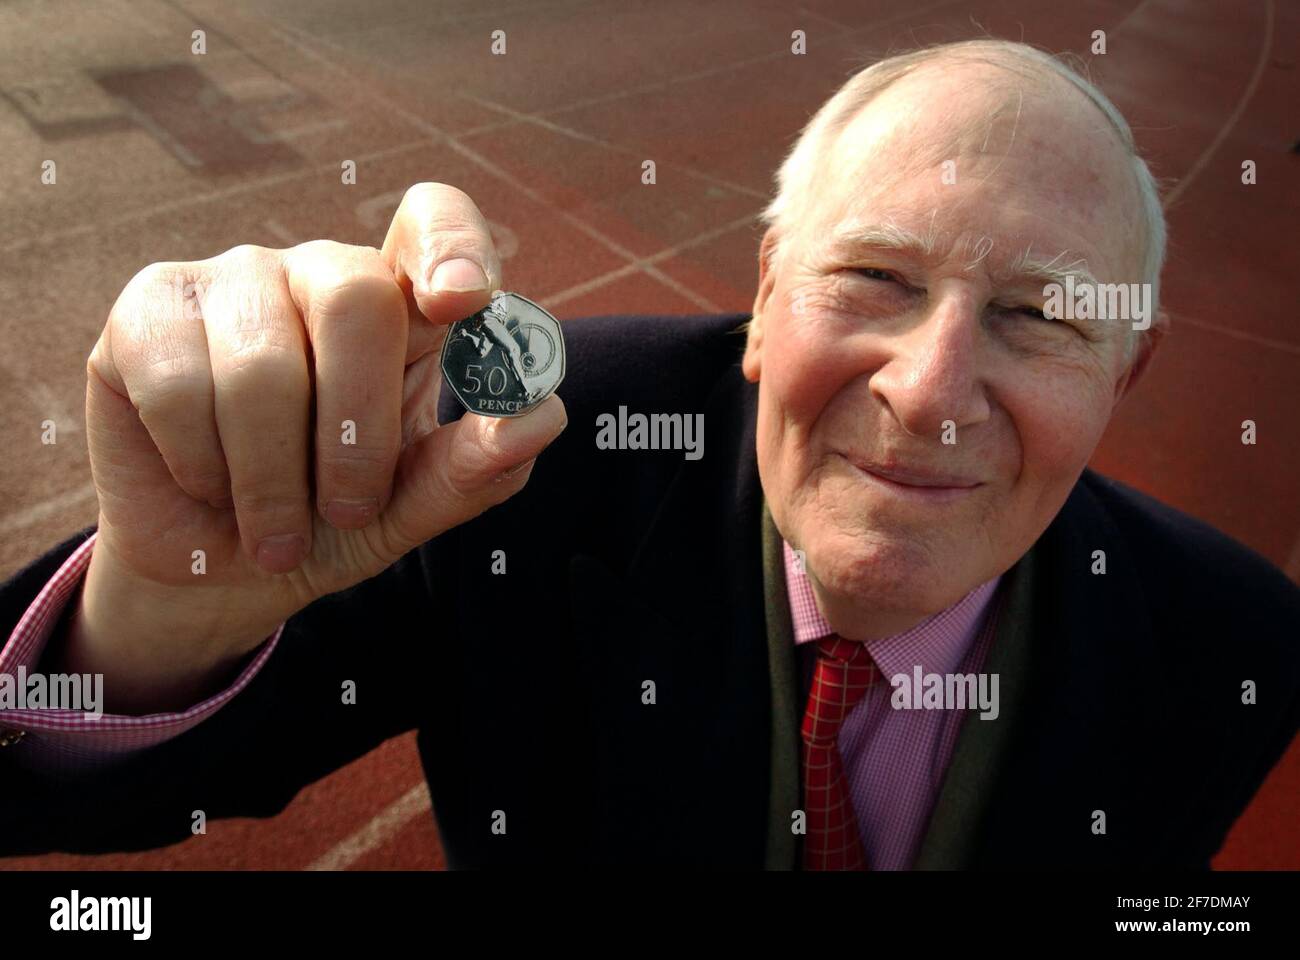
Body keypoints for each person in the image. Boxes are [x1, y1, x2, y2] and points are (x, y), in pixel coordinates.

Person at [1, 39, 1296, 869]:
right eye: (872, 280)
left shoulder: (1235, 647)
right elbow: (49, 797)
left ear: (1127, 365)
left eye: (1045, 313)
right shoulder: (520, 461)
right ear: (764, 299)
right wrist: (145, 626)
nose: (931, 389)